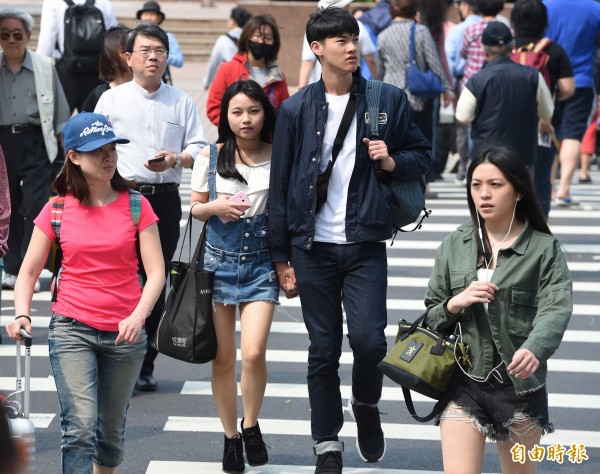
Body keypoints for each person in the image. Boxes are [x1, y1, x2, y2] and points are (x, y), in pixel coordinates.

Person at [268, 7, 431, 472]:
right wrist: (281, 257)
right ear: (316, 49)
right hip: (311, 247)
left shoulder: (386, 100)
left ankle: (365, 404)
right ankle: (326, 442)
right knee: (323, 349)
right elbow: (280, 187)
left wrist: (391, 160)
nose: (351, 46)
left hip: (364, 244)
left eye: (353, 38)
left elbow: (423, 154)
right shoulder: (295, 110)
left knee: (370, 343)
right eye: (339, 40)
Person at [5, 112, 165, 473]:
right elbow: (28, 272)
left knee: (109, 436)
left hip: (125, 334)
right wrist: (22, 313)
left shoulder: (137, 205)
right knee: (78, 430)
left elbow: (156, 274)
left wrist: (139, 316)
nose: (108, 158)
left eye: (111, 149)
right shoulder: (56, 208)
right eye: (97, 152)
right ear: (74, 156)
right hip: (71, 329)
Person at [424, 146, 572, 474]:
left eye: (496, 184)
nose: (484, 194)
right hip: (463, 382)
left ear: (518, 191)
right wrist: (455, 302)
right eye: (476, 185)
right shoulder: (454, 245)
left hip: (518, 387)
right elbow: (432, 313)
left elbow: (556, 308)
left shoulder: (543, 249)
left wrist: (536, 347)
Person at [95, 21, 207, 392]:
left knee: (157, 279)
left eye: (159, 50)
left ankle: (144, 360)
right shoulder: (111, 100)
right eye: (145, 50)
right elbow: (96, 148)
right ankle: (112, 350)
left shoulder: (181, 100)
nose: (153, 57)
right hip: (120, 197)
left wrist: (176, 158)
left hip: (164, 200)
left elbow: (200, 148)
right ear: (128, 58)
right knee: (121, 276)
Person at [190, 79, 278, 474]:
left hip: (261, 263)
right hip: (217, 263)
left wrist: (285, 263)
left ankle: (251, 423)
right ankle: (230, 437)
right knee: (223, 358)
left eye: (254, 111)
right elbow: (194, 209)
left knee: (255, 352)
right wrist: (217, 207)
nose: (246, 119)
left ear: (265, 113)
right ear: (225, 115)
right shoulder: (212, 155)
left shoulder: (280, 155)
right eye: (237, 112)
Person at [0, 7, 70, 292]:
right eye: (5, 35)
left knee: (35, 207)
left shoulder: (44, 65)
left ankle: (29, 269)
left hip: (36, 141)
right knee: (9, 207)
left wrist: (66, 152)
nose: (12, 39)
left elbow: (61, 113)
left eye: (17, 34)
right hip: (3, 143)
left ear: (28, 36)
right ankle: (12, 267)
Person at [455, 21, 554, 172]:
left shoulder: (477, 80)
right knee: (523, 194)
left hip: (486, 158)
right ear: (512, 45)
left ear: (483, 49)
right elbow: (547, 111)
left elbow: (463, 116)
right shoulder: (533, 76)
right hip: (523, 158)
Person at [378, 0, 452, 198]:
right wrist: (447, 88)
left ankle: (395, 183)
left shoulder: (383, 35)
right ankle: (422, 185)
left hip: (390, 95)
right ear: (415, 11)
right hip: (417, 96)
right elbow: (434, 62)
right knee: (422, 141)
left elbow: (380, 69)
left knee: (394, 141)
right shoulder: (421, 31)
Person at [510, 0, 574, 218]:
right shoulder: (554, 51)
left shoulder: (506, 47)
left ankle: (509, 225)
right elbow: (568, 88)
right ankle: (539, 229)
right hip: (543, 124)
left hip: (506, 124)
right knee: (541, 178)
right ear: (544, 21)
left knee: (507, 175)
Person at [544, 0, 600, 206]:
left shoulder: (546, 6)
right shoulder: (595, 9)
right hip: (581, 80)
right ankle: (564, 189)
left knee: (549, 131)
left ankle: (547, 187)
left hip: (549, 79)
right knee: (572, 134)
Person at [207, 15, 289, 127]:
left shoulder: (278, 76)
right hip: (236, 141)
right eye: (257, 36)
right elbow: (213, 107)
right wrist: (235, 128)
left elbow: (286, 113)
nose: (262, 41)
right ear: (246, 37)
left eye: (268, 37)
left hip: (269, 143)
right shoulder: (228, 69)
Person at [36, 0, 118, 113]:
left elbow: (47, 40)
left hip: (67, 72)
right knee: (93, 124)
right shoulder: (102, 2)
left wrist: (38, 72)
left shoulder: (53, 2)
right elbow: (113, 36)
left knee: (60, 124)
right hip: (96, 71)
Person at [298, 0, 378, 88]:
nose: (352, 48)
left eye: (355, 40)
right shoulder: (316, 28)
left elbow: (307, 61)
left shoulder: (357, 26)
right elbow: (370, 58)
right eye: (342, 41)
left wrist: (302, 88)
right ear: (316, 47)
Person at [445, 0, 480, 184]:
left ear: (466, 5)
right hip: (490, 81)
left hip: (463, 82)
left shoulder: (458, 30)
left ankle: (463, 168)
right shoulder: (497, 25)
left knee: (462, 124)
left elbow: (450, 62)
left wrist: (448, 88)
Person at [81, 25, 132, 112]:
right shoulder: (98, 96)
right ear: (110, 56)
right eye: (124, 52)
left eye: (132, 50)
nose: (129, 55)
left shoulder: (149, 92)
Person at [203, 7, 253, 90]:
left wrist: (207, 82)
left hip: (231, 83)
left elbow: (213, 64)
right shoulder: (251, 37)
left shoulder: (223, 40)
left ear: (233, 21)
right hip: (250, 81)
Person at [136, 1, 184, 85]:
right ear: (141, 17)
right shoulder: (134, 35)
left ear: (159, 18)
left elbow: (179, 60)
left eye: (152, 14)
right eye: (146, 14)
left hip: (160, 81)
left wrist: (161, 56)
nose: (149, 17)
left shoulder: (168, 36)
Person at [460, 0, 505, 88]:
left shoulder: (471, 29)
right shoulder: (505, 29)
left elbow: (463, 53)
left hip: (471, 82)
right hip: (497, 82)